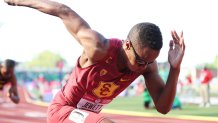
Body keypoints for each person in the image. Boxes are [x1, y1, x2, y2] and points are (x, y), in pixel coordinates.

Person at [5, 0, 185, 123]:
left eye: (149, 62)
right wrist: (19, 1)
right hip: (62, 111)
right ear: (127, 45)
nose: (143, 66)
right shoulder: (99, 48)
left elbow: (163, 107)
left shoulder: (147, 66)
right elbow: (64, 11)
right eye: (140, 60)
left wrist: (175, 69)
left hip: (86, 117)